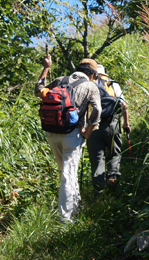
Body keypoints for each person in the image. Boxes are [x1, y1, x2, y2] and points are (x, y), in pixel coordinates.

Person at [35, 55, 101, 223]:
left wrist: (46, 68)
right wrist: (88, 132)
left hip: (51, 132)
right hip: (72, 135)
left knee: (65, 173)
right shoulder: (90, 85)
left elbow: (38, 91)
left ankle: (75, 208)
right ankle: (65, 218)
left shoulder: (59, 80)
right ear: (92, 74)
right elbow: (97, 111)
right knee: (68, 175)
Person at [86, 64, 130, 191]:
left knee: (97, 157)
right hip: (112, 123)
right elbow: (124, 106)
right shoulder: (112, 84)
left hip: (93, 126)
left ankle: (99, 188)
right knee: (114, 152)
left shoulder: (89, 85)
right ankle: (113, 177)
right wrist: (126, 124)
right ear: (104, 73)